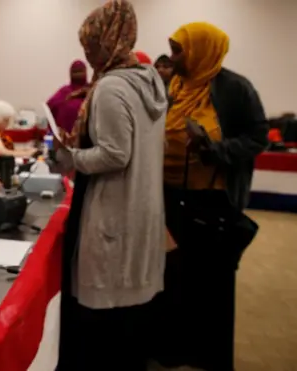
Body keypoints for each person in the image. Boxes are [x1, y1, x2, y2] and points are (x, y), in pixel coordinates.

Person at [55, 1, 167, 369]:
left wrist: (73, 159)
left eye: (92, 46)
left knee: (102, 315)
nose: (87, 55)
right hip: (141, 207)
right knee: (129, 315)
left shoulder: (111, 88)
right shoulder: (147, 82)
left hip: (115, 206)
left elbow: (116, 155)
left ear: (111, 42)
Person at [155, 22, 268, 371]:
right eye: (172, 50)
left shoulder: (235, 88)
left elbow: (257, 137)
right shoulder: (174, 85)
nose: (173, 58)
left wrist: (214, 149)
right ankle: (171, 352)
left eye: (179, 51)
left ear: (202, 50)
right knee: (174, 279)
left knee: (212, 286)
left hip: (212, 202)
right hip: (170, 198)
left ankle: (209, 359)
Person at [46, 60, 90, 133]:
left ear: (85, 72)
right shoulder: (64, 91)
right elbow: (49, 107)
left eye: (80, 71)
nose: (78, 74)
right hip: (65, 138)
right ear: (70, 73)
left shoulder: (92, 89)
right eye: (75, 71)